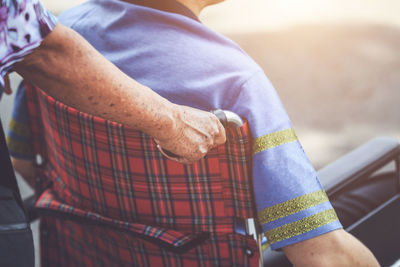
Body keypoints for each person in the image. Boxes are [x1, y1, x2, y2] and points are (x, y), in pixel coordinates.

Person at [8, 0, 380, 266]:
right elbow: (322, 255)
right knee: (386, 179)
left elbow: (24, 162)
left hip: (90, 253)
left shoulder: (54, 41)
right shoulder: (232, 81)